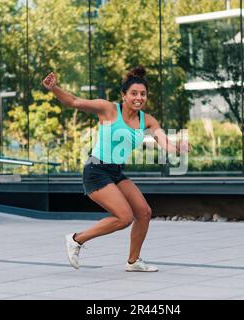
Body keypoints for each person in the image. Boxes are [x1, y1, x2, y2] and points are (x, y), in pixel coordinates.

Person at [42, 66, 190, 272]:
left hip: (115, 172)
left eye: (143, 94)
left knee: (144, 212)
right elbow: (74, 101)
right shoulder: (109, 109)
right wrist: (54, 88)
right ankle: (76, 239)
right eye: (134, 94)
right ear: (124, 95)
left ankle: (133, 261)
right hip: (95, 171)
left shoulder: (147, 120)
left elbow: (164, 143)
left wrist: (178, 147)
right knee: (124, 217)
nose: (139, 98)